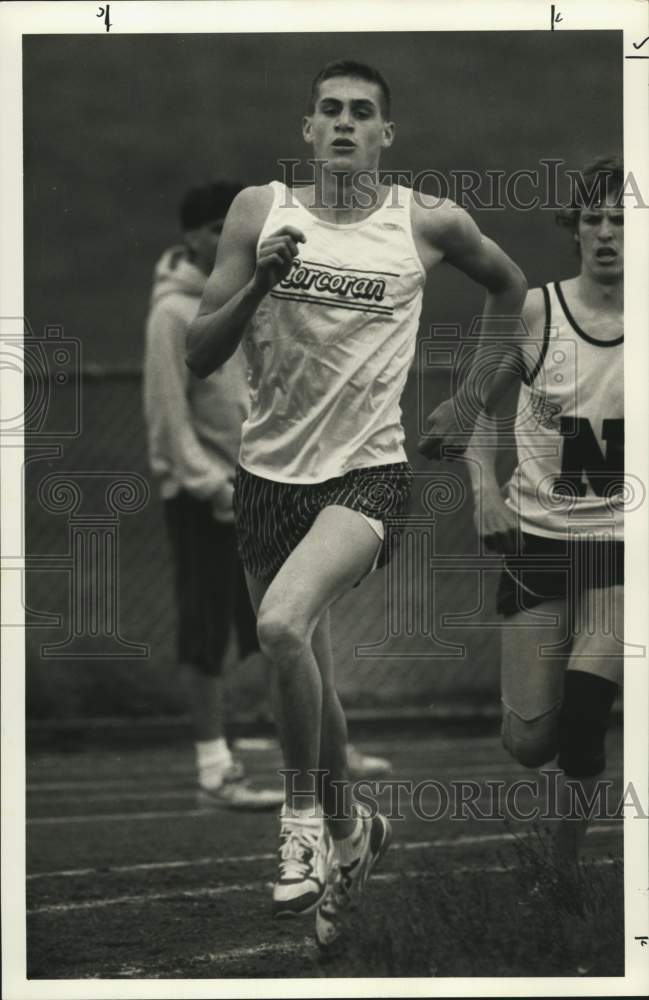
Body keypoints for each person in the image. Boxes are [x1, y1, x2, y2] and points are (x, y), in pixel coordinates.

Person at [185, 60, 527, 943]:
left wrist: (467, 399)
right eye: (329, 111)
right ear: (307, 131)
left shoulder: (427, 221)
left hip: (368, 476)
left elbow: (510, 290)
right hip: (267, 479)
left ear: (385, 136)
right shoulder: (261, 213)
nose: (344, 124)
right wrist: (259, 282)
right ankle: (353, 827)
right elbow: (198, 354)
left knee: (279, 629)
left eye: (361, 113)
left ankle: (299, 828)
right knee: (311, 679)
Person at [461, 156, 624, 873]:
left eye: (623, 220)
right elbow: (474, 412)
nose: (607, 234)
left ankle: (562, 878)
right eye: (594, 219)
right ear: (574, 228)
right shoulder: (538, 312)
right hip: (540, 538)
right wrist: (483, 491)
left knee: (585, 720)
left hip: (623, 543)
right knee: (529, 742)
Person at [143, 181, 284, 810]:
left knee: (276, 627)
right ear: (195, 236)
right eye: (220, 229)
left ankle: (310, 743)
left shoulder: (246, 294)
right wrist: (211, 485)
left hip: (255, 489)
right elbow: (168, 424)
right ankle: (212, 769)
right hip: (203, 499)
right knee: (204, 630)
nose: (235, 240)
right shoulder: (172, 313)